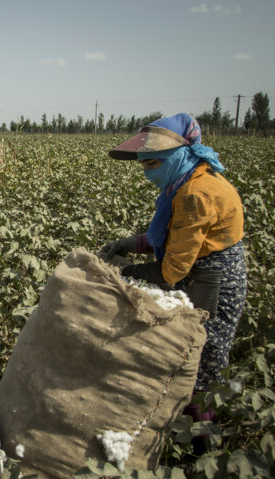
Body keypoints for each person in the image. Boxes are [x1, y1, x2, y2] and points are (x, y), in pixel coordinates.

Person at [100, 113, 247, 444]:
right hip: (197, 273)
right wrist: (131, 244)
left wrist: (123, 272)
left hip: (213, 283)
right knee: (184, 355)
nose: (147, 170)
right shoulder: (183, 183)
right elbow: (171, 236)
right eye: (143, 164)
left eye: (153, 162)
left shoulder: (198, 192)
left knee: (199, 361)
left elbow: (171, 271)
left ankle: (201, 444)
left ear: (178, 154)